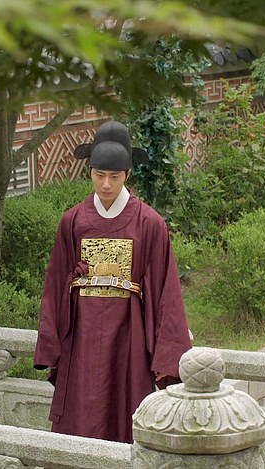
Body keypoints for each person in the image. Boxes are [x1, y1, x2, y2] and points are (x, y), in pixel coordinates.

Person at [33, 120, 192, 443]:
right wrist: (51, 343)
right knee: (80, 413)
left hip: (129, 333)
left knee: (127, 411)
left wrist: (166, 354)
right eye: (99, 175)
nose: (106, 185)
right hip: (82, 333)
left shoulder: (149, 223)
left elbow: (165, 292)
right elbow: (55, 285)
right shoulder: (73, 221)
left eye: (115, 177)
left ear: (128, 174)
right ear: (89, 172)